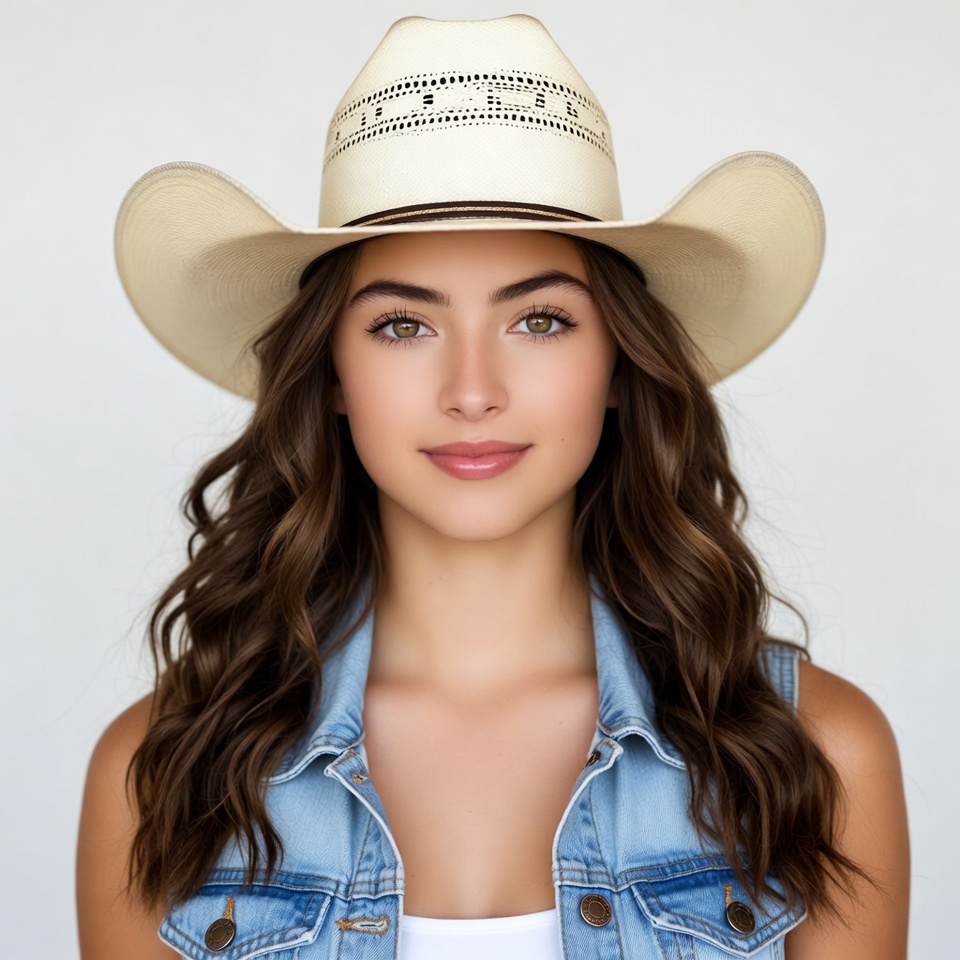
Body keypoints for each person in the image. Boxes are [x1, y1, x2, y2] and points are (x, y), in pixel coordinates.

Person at [76, 14, 909, 960]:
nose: (473, 391)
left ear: (620, 365)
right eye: (402, 326)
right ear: (333, 376)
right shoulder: (160, 775)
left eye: (541, 320)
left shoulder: (818, 756)